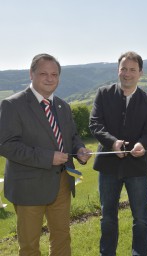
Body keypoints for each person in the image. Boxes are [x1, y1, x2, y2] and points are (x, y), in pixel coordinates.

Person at [0, 53, 92, 255]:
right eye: (43, 73)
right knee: (30, 245)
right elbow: (6, 145)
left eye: (54, 74)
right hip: (28, 186)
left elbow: (73, 136)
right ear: (31, 74)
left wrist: (79, 150)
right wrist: (48, 157)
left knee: (61, 238)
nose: (50, 78)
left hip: (61, 183)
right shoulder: (12, 105)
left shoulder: (62, 106)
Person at [89, 51, 147, 256]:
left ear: (140, 73)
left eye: (132, 70)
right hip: (108, 165)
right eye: (124, 69)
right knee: (108, 217)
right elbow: (95, 124)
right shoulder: (104, 93)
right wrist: (112, 143)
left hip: (136, 166)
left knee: (141, 218)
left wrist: (142, 145)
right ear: (118, 70)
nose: (127, 73)